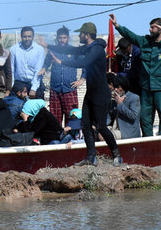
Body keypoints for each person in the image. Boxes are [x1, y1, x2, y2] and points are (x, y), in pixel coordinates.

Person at [42, 22, 123, 166]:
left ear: (87, 35)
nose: (78, 35)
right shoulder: (87, 47)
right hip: (91, 93)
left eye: (80, 33)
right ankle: (91, 157)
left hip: (101, 94)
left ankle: (117, 155)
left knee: (101, 127)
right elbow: (71, 49)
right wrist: (48, 46)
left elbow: (84, 63)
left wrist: (61, 61)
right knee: (85, 125)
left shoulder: (97, 49)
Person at [110, 14, 161, 136]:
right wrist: (117, 26)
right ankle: (148, 140)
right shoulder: (145, 42)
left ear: (160, 28)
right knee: (145, 117)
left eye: (153, 27)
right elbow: (131, 36)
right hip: (146, 87)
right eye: (150, 27)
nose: (150, 30)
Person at [41, 25, 85, 126]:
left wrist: (82, 79)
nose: (62, 40)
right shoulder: (53, 50)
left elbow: (84, 64)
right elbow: (46, 63)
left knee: (72, 117)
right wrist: (44, 68)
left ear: (68, 38)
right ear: (57, 38)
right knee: (55, 118)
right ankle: (57, 139)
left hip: (69, 88)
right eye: (60, 38)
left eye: (64, 38)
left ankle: (72, 139)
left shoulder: (74, 51)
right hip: (55, 89)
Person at [10, 26, 46, 98]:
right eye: (24, 36)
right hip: (19, 83)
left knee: (37, 107)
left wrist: (33, 89)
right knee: (17, 107)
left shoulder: (39, 50)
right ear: (21, 36)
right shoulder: (14, 49)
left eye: (29, 36)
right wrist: (10, 87)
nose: (27, 39)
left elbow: (38, 71)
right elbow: (11, 70)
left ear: (33, 36)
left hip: (35, 83)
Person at [110, 75, 141, 140]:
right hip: (115, 128)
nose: (116, 89)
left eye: (118, 87)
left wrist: (120, 104)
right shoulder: (114, 98)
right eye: (115, 87)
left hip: (128, 132)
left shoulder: (134, 98)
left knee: (103, 136)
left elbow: (133, 116)